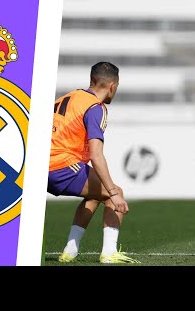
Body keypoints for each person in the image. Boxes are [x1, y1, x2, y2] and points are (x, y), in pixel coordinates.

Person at [47, 61, 140, 264]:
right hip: (61, 165)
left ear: (91, 80)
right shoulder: (96, 107)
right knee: (114, 192)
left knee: (95, 195)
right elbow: (97, 155)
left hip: (42, 164)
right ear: (113, 86)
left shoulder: (68, 97)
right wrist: (114, 194)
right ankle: (109, 253)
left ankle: (70, 251)